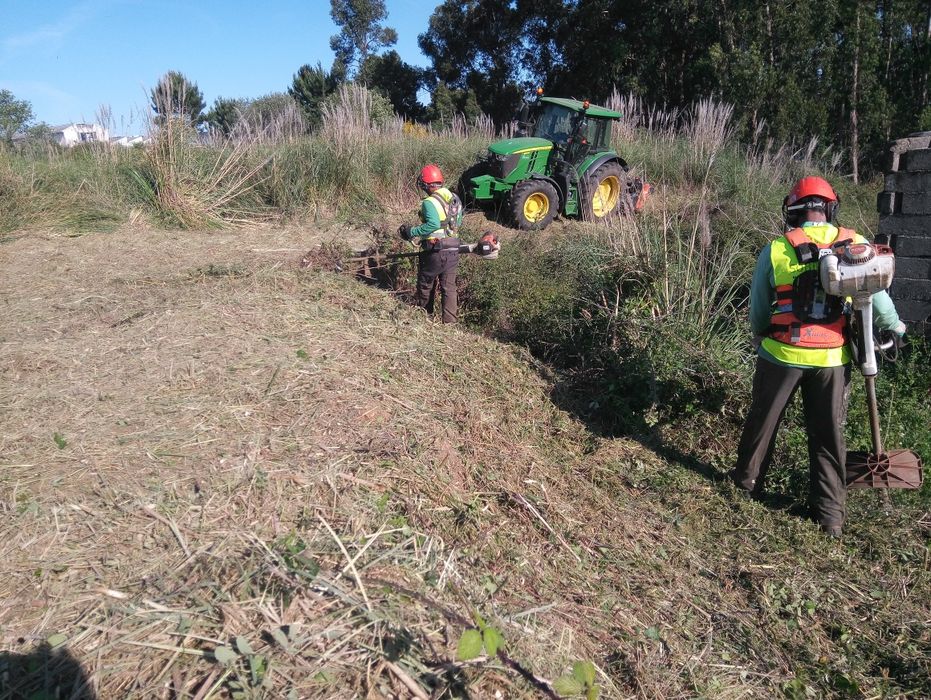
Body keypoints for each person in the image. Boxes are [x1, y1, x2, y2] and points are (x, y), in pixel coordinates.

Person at [730, 176, 906, 537]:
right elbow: (880, 301)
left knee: (763, 423)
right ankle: (830, 518)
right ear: (830, 208)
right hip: (831, 359)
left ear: (794, 211)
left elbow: (760, 310)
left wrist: (761, 334)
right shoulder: (855, 244)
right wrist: (897, 329)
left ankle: (745, 487)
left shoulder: (778, 247)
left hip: (781, 354)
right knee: (828, 436)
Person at [399, 164, 464, 324]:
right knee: (449, 288)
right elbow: (458, 221)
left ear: (426, 184)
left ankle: (424, 317)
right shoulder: (454, 198)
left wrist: (412, 232)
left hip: (435, 250)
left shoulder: (429, 202)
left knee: (426, 282)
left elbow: (433, 224)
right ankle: (450, 324)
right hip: (453, 248)